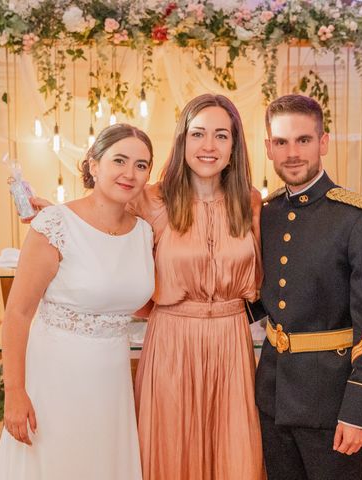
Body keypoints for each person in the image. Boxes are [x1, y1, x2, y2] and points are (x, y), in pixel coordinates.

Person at [0, 123, 155, 480]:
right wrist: (15, 393)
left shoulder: (144, 232)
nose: (130, 173)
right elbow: (17, 314)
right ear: (94, 165)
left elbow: (131, 300)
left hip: (111, 381)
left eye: (141, 165)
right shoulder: (54, 224)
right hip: (56, 378)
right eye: (120, 160)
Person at [253, 94, 362, 479]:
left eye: (303, 140)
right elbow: (261, 298)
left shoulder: (360, 220)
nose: (292, 153)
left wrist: (360, 411)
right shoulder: (266, 215)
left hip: (332, 404)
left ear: (323, 142)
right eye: (281, 142)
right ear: (268, 147)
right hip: (273, 398)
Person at [129, 94, 265, 480]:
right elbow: (101, 225)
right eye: (198, 134)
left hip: (231, 343)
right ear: (182, 140)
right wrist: (54, 215)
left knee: (235, 455)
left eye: (221, 136)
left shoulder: (250, 202)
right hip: (171, 340)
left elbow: (267, 276)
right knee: (171, 452)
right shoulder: (151, 200)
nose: (209, 146)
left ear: (234, 145)